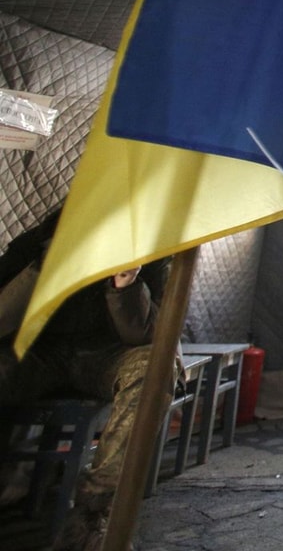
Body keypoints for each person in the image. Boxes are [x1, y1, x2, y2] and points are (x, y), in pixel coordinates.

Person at [0, 210, 172, 550]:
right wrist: (43, 267)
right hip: (37, 352)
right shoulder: (34, 244)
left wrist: (125, 285)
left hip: (105, 356)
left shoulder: (150, 252)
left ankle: (95, 514)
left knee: (155, 367)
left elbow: (147, 335)